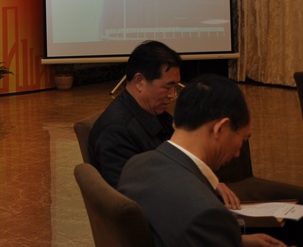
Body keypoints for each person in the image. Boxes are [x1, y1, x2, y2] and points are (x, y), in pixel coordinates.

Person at [118, 74, 294, 247]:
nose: (237, 153)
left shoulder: (136, 165)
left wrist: (237, 242)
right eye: (243, 139)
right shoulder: (208, 214)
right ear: (220, 129)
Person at [88, 40, 182, 188]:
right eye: (167, 87)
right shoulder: (116, 132)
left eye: (175, 87)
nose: (172, 95)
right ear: (139, 81)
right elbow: (132, 193)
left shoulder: (154, 112)